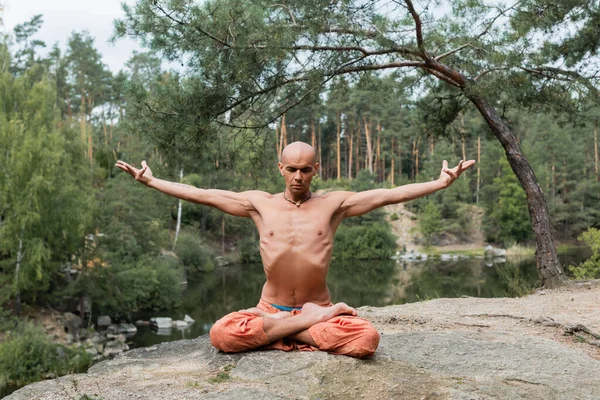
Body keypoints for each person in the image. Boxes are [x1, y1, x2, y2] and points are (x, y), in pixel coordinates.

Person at [116, 141, 475, 358]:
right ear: (280, 169)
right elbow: (204, 194)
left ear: (315, 169)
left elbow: (388, 194)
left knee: (367, 339)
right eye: (292, 169)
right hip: (269, 308)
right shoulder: (259, 204)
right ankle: (304, 325)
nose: (298, 177)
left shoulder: (335, 204)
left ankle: (292, 326)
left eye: (305, 169)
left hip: (316, 306)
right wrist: (152, 182)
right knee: (220, 334)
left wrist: (439, 183)